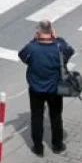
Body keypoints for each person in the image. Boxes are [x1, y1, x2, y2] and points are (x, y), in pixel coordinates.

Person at [19, 20, 74, 156]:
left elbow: (22, 56)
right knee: (55, 116)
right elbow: (70, 52)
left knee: (36, 117)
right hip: (55, 89)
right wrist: (57, 38)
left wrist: (34, 40)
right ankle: (57, 145)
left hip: (36, 89)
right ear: (51, 32)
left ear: (38, 33)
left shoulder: (32, 47)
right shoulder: (59, 46)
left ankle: (38, 148)